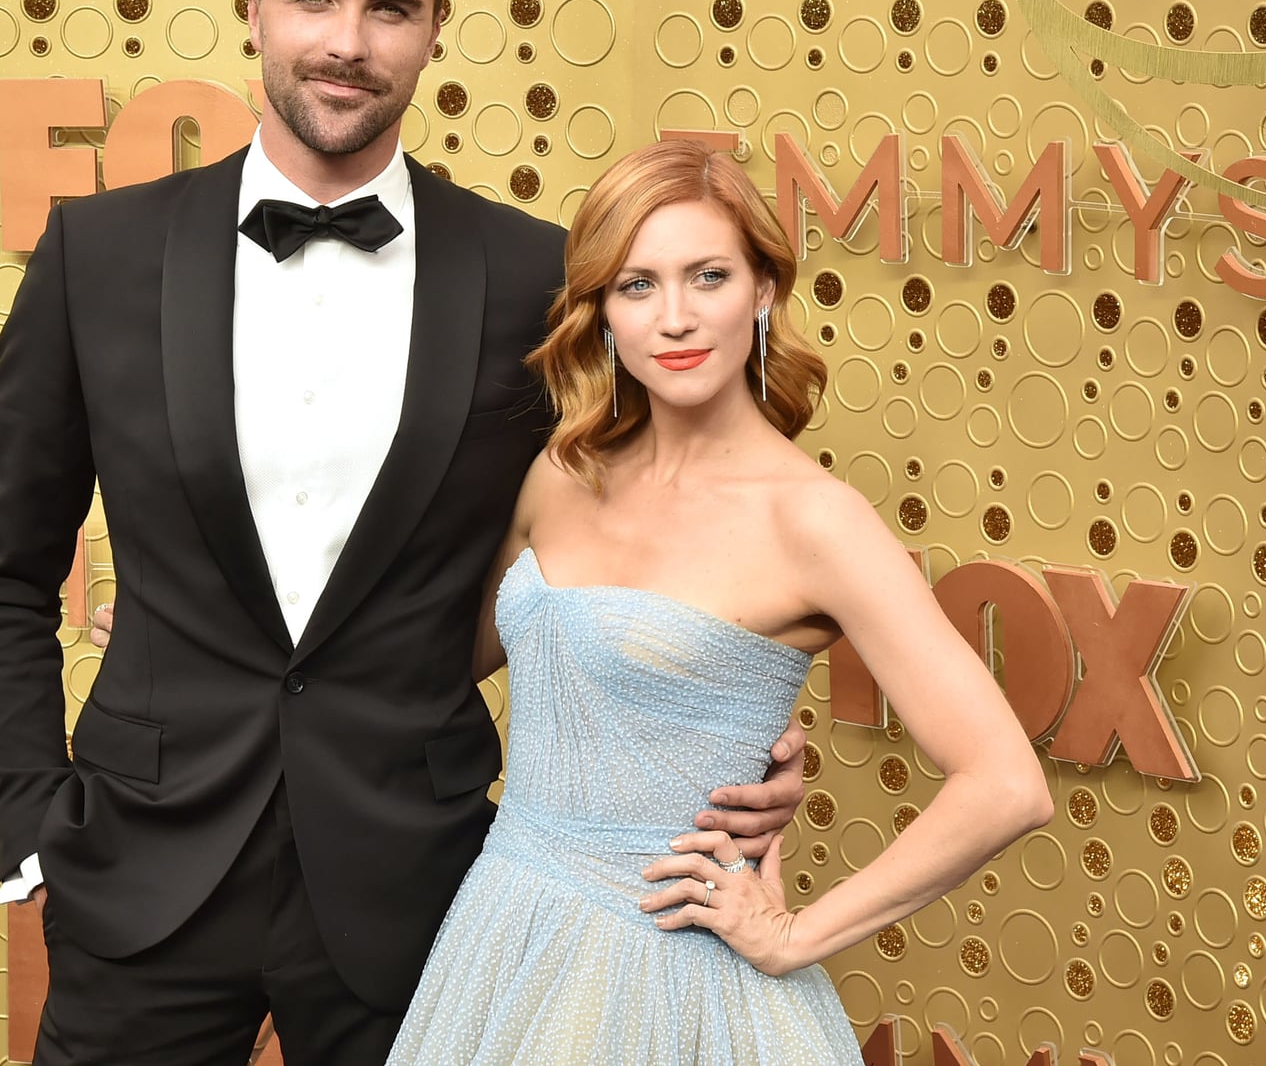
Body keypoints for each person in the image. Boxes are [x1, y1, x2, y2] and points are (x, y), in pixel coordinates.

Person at [0, 0, 805, 1066]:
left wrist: (739, 724)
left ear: (435, 31)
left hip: (422, 886)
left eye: (388, 8)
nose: (346, 42)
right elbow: (0, 567)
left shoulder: (531, 276)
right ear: (252, 9)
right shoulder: (99, 256)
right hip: (138, 872)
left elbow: (674, 514)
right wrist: (30, 812)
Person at [381, 139, 1056, 1061]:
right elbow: (431, 664)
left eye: (708, 275)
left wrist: (794, 935)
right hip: (505, 934)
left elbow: (1007, 784)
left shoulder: (815, 521)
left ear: (764, 291)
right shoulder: (561, 473)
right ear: (603, 314)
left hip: (674, 972)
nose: (676, 317)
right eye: (637, 285)